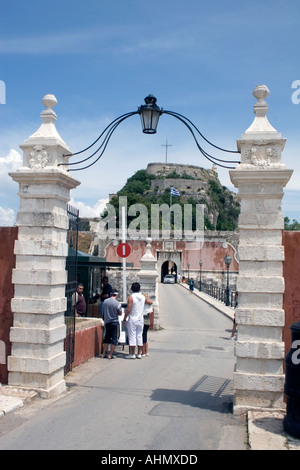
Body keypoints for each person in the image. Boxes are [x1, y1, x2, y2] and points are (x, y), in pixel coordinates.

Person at [123, 282, 153, 359]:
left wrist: (124, 318)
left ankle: (132, 354)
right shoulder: (143, 297)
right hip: (140, 319)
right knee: (139, 336)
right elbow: (150, 302)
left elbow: (128, 309)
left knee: (132, 336)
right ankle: (139, 353)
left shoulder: (131, 298)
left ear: (132, 289)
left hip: (133, 318)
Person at [102, 291, 122, 359]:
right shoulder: (117, 303)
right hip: (115, 322)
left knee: (106, 338)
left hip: (107, 322)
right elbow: (120, 313)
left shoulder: (105, 301)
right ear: (116, 295)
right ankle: (110, 354)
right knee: (114, 339)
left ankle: (104, 353)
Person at [142, 293, 154, 357]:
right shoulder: (149, 305)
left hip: (143, 321)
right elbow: (151, 313)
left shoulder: (143, 305)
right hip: (147, 322)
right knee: (145, 337)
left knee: (143, 337)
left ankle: (143, 352)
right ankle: (146, 351)